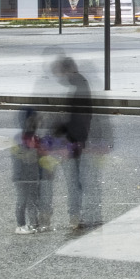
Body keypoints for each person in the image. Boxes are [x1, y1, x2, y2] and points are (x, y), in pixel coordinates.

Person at [52, 55, 99, 229]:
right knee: (79, 180)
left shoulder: (78, 87)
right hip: (79, 139)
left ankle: (76, 217)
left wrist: (59, 129)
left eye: (61, 72)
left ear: (68, 70)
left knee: (76, 181)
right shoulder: (79, 84)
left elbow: (77, 117)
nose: (60, 77)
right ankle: (80, 216)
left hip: (75, 141)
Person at [11, 109, 44, 234]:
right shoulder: (20, 139)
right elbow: (23, 157)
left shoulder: (36, 139)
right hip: (22, 176)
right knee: (22, 200)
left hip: (33, 175)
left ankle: (34, 224)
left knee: (33, 200)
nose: (37, 124)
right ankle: (20, 224)